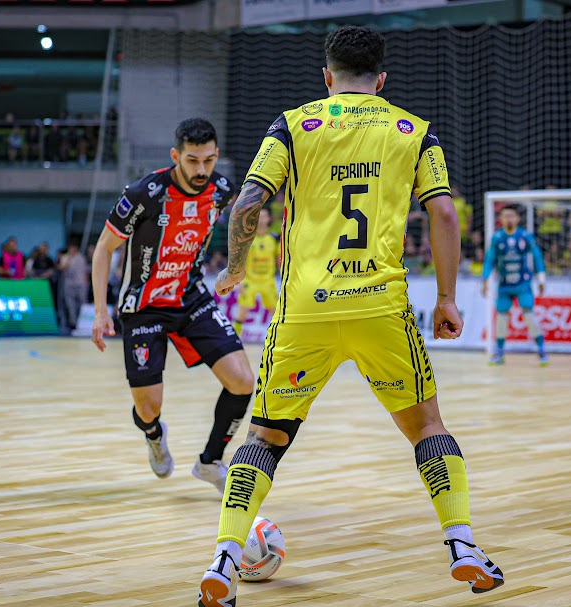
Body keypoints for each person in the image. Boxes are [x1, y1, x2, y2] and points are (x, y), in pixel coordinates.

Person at [197, 26, 503, 607]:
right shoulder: (414, 131)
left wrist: (235, 267)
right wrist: (446, 297)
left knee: (263, 434)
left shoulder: (292, 124)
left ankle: (225, 557)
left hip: (305, 312)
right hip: (379, 308)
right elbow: (442, 213)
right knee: (427, 428)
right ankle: (462, 544)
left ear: (327, 77)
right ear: (382, 80)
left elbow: (247, 202)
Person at [90, 118, 254, 495]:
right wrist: (101, 311)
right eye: (193, 161)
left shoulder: (221, 189)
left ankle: (210, 462)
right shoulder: (144, 193)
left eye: (209, 161)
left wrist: (235, 265)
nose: (201, 170)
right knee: (148, 407)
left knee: (243, 381)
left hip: (191, 296)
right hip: (144, 306)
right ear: (175, 156)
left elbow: (245, 218)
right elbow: (103, 249)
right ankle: (153, 433)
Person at [481, 205, 547, 365]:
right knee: (501, 317)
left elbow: (537, 256)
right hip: (504, 285)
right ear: (501, 219)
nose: (508, 219)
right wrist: (484, 280)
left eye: (511, 216)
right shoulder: (497, 238)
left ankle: (541, 350)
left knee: (529, 315)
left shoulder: (525, 236)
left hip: (522, 284)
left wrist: (541, 279)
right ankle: (499, 353)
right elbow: (490, 260)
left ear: (517, 218)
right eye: (505, 216)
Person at [231, 208, 280, 336]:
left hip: (268, 281)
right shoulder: (248, 239)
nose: (262, 219)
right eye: (259, 216)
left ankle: (279, 338)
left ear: (268, 219)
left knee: (276, 312)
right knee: (243, 311)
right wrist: (238, 281)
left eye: (264, 216)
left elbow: (279, 260)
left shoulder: (274, 239)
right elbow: (239, 260)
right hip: (249, 280)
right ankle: (235, 340)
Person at [59, 241, 89, 333]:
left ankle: (83, 323)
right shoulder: (65, 257)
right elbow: (62, 268)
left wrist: (86, 283)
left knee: (82, 304)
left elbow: (85, 271)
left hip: (81, 284)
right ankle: (73, 324)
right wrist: (69, 260)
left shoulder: (81, 258)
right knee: (70, 305)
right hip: (69, 285)